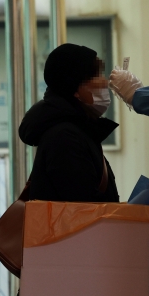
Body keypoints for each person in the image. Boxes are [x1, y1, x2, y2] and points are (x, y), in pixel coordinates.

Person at [19, 43, 119, 202]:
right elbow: (82, 208)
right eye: (96, 74)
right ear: (75, 89)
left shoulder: (76, 129)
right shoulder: (65, 138)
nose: (104, 82)